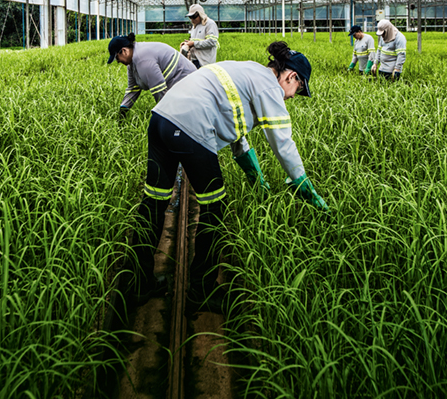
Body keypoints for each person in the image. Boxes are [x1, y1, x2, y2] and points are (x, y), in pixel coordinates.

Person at [132, 41, 329, 313]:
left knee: (154, 201)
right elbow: (283, 143)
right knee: (215, 206)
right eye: (298, 89)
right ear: (291, 76)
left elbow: (237, 133)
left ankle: (137, 283)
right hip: (191, 126)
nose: (293, 97)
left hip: (161, 119)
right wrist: (304, 185)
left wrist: (255, 177)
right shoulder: (270, 87)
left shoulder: (249, 71)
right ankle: (201, 290)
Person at [108, 33, 196, 117]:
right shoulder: (132, 63)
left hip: (186, 80)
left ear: (124, 51)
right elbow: (133, 88)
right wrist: (122, 111)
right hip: (175, 83)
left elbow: (160, 92)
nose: (118, 61)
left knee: (185, 112)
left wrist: (163, 116)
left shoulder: (142, 60)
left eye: (117, 58)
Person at [180, 3, 219, 68]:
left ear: (200, 14)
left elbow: (212, 42)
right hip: (194, 60)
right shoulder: (194, 26)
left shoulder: (209, 24)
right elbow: (194, 41)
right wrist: (187, 43)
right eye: (190, 17)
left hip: (204, 62)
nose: (192, 19)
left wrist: (193, 43)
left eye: (194, 17)